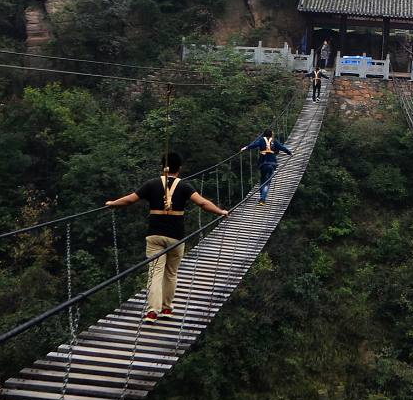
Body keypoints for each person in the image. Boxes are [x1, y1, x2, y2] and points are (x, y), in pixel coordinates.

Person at [104, 152, 227, 320]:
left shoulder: (151, 184)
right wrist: (220, 212)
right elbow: (203, 203)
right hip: (176, 237)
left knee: (155, 273)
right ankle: (167, 308)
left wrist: (112, 203)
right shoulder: (184, 186)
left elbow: (129, 200)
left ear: (163, 168)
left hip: (154, 236)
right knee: (171, 273)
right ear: (180, 169)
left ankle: (152, 311)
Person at [242, 128, 293, 202]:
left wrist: (245, 148)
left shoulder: (261, 140)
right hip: (272, 164)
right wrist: (290, 153)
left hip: (263, 164)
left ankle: (262, 197)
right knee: (267, 182)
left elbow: (254, 145)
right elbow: (282, 148)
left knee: (262, 181)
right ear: (271, 134)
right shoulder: (274, 141)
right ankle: (263, 199)